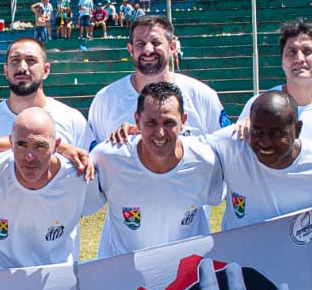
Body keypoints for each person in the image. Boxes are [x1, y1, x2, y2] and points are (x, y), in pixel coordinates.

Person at [0, 108, 103, 269]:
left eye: (40, 146)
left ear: (56, 145)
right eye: (22, 145)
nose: (30, 156)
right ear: (10, 144)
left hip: (57, 283)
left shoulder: (80, 177)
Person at [92, 82, 224, 258]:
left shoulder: (205, 161)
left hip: (185, 275)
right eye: (151, 123)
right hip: (124, 276)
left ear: (183, 122)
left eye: (169, 123)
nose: (160, 133)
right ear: (137, 121)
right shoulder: (107, 157)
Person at [206, 91, 312, 227]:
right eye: (257, 131)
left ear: (297, 129)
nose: (265, 142)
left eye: (276, 133)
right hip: (237, 248)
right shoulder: (233, 144)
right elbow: (189, 150)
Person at [87, 16, 231, 143]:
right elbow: (92, 160)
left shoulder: (202, 96)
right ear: (131, 50)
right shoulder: (105, 100)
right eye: (140, 44)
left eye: (156, 43)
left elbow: (226, 150)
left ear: (172, 47)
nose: (148, 50)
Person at [0, 37, 93, 149]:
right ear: (5, 71)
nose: (22, 68)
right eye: (15, 60)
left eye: (31, 60)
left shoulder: (72, 120)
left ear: (46, 70)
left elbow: (91, 171)